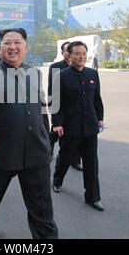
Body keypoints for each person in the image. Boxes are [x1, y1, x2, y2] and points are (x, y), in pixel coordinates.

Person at [0, 28, 58, 239]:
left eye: (17, 42)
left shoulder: (35, 73)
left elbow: (41, 109)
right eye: (7, 43)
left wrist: (48, 139)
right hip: (0, 150)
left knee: (42, 207)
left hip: (36, 151)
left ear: (25, 47)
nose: (12, 47)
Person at [51, 41, 105, 211]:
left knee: (91, 163)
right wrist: (57, 123)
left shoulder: (92, 74)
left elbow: (97, 99)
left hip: (89, 126)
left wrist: (100, 118)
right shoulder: (61, 76)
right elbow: (55, 103)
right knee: (65, 157)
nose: (81, 56)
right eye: (77, 53)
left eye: (83, 53)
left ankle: (92, 197)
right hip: (70, 127)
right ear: (69, 55)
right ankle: (57, 180)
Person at [48, 41, 83, 171]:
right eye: (68, 50)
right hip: (61, 108)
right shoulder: (56, 67)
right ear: (63, 53)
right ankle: (49, 150)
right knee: (56, 133)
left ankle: (76, 161)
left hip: (77, 110)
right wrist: (54, 109)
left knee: (77, 137)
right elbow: (52, 90)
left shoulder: (81, 66)